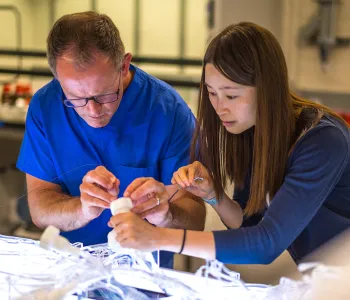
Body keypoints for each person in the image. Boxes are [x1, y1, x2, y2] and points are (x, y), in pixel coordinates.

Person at [108, 22, 350, 265]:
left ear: (267, 88)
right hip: (326, 276)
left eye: (232, 95)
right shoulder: (252, 130)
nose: (219, 107)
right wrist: (214, 195)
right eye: (212, 93)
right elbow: (248, 224)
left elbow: (265, 245)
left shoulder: (323, 141)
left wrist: (157, 238)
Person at [16, 11, 206, 268]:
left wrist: (166, 214)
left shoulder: (168, 111)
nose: (93, 112)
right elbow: (39, 208)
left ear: (124, 65)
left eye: (105, 95)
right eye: (75, 99)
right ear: (57, 79)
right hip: (70, 270)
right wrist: (81, 209)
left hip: (145, 275)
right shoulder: (45, 107)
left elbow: (195, 219)